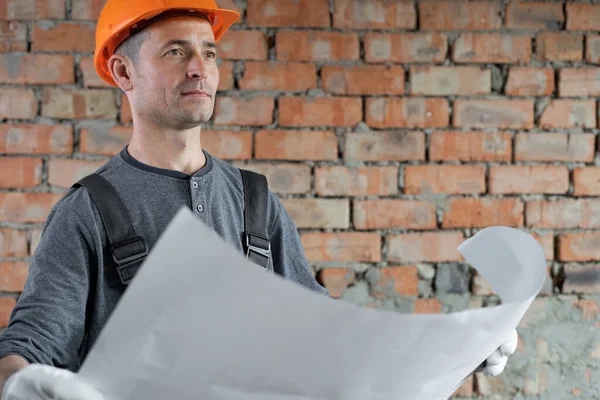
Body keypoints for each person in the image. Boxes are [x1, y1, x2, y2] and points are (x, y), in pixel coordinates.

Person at [0, 1, 518, 398]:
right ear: (124, 73)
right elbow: (29, 343)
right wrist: (18, 384)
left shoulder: (254, 200)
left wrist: (457, 348)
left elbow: (328, 336)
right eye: (175, 51)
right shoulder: (91, 209)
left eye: (209, 51)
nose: (199, 67)